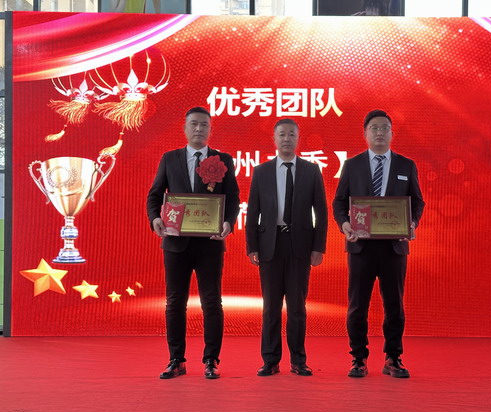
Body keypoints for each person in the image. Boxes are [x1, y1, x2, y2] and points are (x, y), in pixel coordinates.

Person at [147, 106, 240, 379]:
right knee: (175, 302)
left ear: (211, 129)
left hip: (210, 243)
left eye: (204, 125)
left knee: (211, 302)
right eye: (194, 124)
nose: (199, 129)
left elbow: (232, 197)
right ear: (185, 128)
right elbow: (155, 195)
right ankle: (176, 359)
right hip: (176, 243)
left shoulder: (223, 159)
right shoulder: (170, 158)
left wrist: (228, 222)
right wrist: (155, 218)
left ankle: (211, 360)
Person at [332, 109, 425, 378]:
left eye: (385, 128)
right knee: (357, 305)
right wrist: (344, 224)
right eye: (374, 128)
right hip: (360, 245)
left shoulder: (406, 165)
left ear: (392, 133)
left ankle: (393, 357)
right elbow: (339, 202)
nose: (380, 132)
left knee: (394, 304)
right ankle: (358, 358)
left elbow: (417, 201)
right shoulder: (352, 165)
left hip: (394, 246)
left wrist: (412, 222)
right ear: (365, 133)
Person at [246, 119, 328, 377]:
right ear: (274, 139)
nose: (286, 139)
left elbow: (321, 211)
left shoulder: (311, 170)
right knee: (271, 307)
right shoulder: (261, 172)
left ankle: (298, 360)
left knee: (297, 307)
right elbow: (253, 212)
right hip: (270, 245)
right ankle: (270, 360)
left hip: (300, 245)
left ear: (298, 139)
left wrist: (318, 247)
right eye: (282, 134)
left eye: (291, 134)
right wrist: (252, 246)